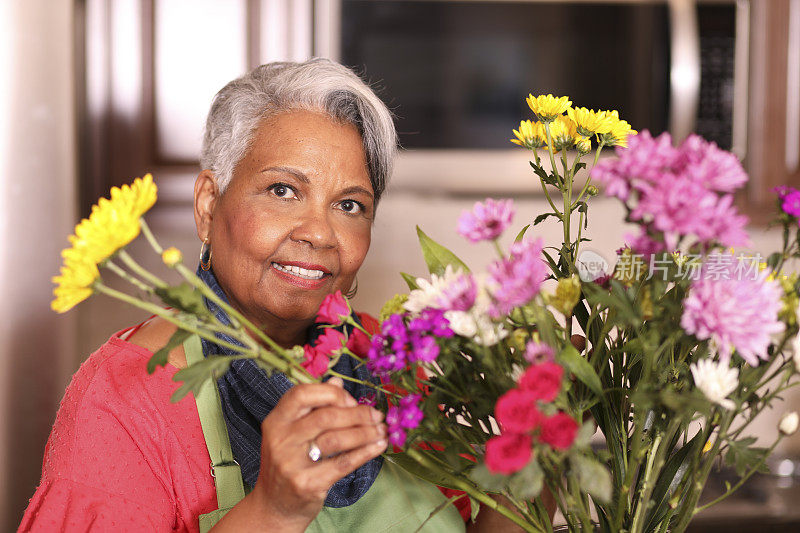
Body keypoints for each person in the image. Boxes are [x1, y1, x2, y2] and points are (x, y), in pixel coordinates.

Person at [19, 59, 539, 532]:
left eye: (351, 205)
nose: (319, 233)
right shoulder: (124, 399)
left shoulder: (392, 361)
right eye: (282, 191)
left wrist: (536, 454)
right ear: (207, 205)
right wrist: (274, 510)